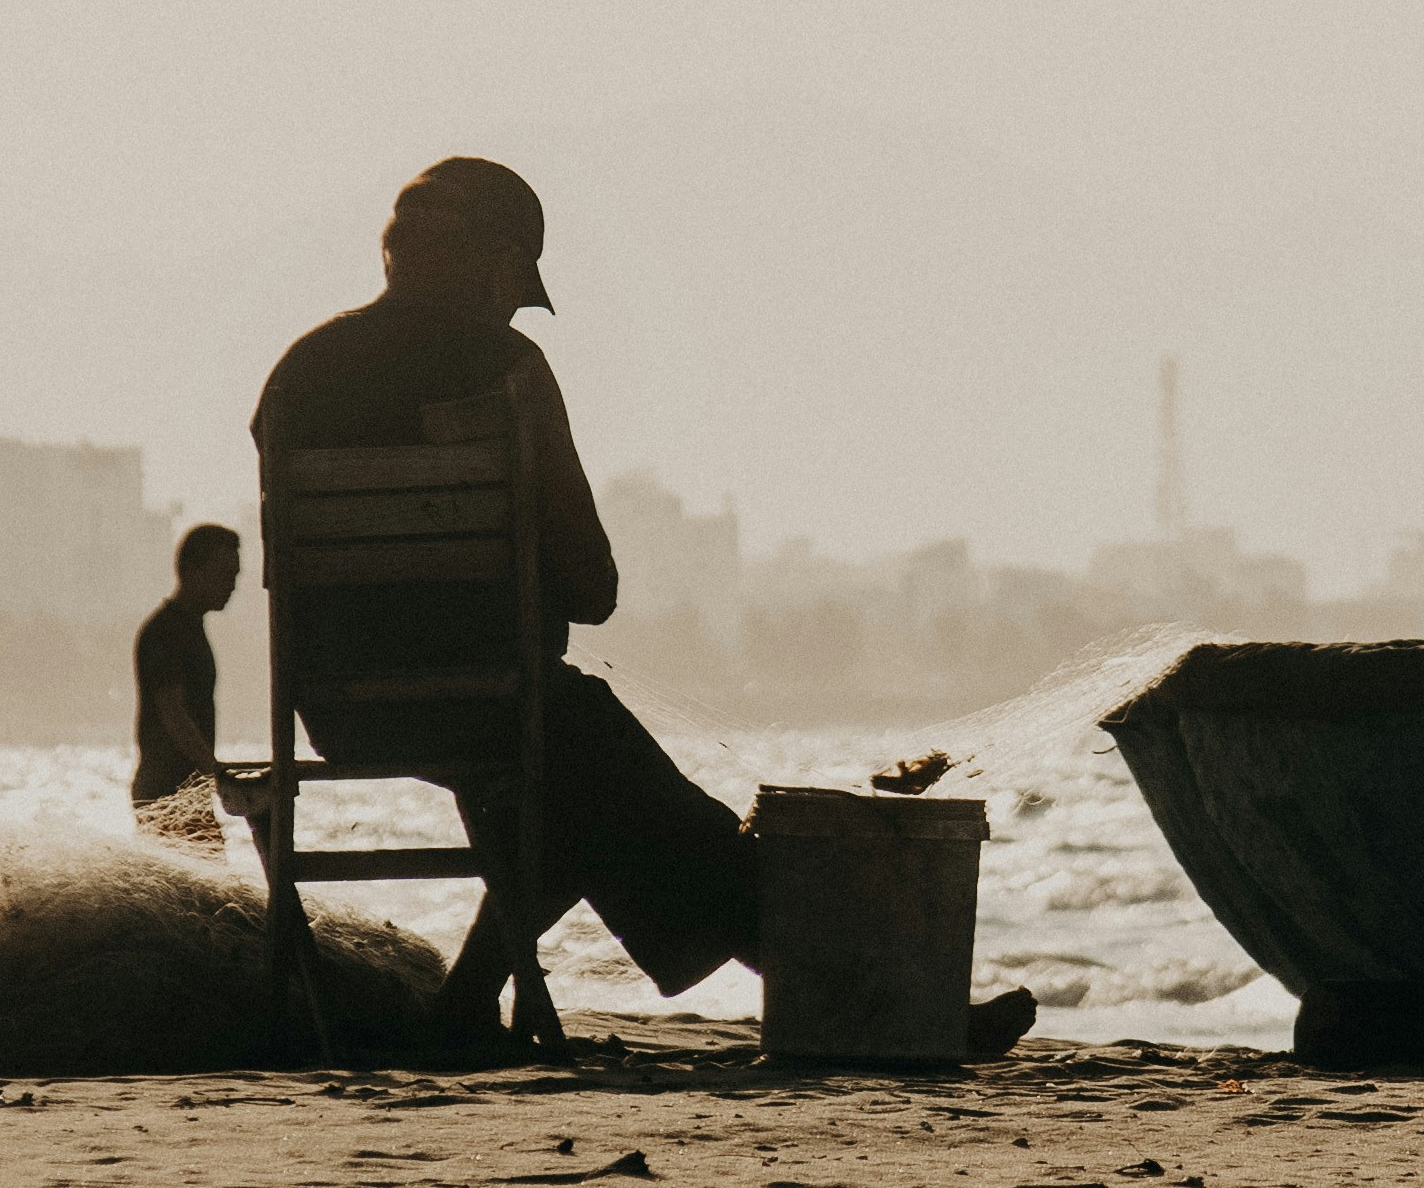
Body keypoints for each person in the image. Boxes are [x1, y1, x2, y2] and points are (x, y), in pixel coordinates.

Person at [253, 156, 1034, 1060]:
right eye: (515, 286)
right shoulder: (506, 368)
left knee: (583, 782)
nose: (513, 308)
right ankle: (867, 991)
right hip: (502, 703)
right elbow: (595, 591)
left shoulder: (296, 374)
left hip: (339, 708)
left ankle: (467, 1006)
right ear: (498, 265)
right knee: (609, 775)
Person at [131, 522, 244, 836]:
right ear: (193, 570)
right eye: (225, 574)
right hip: (167, 791)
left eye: (234, 575)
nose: (232, 584)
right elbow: (173, 712)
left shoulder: (189, 627)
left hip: (186, 790)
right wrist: (215, 771)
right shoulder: (166, 631)